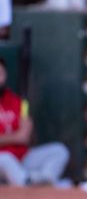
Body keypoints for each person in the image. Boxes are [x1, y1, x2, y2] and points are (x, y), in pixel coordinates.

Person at [0, 59, 70, 187]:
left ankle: (43, 181)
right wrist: (16, 136)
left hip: (22, 158)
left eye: (1, 73)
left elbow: (25, 138)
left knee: (59, 151)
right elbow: (20, 137)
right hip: (3, 159)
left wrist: (20, 136)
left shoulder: (19, 102)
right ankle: (27, 183)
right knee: (5, 158)